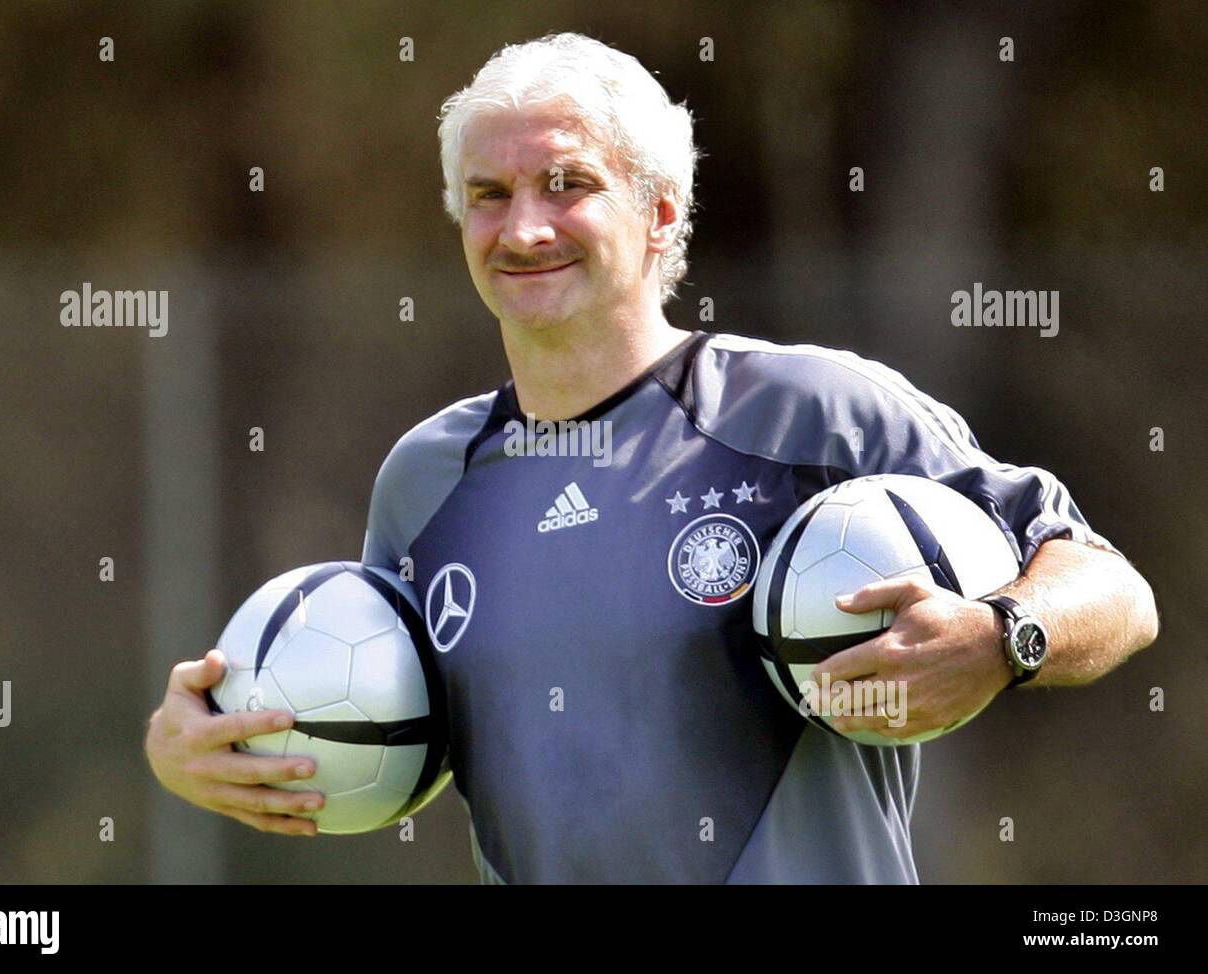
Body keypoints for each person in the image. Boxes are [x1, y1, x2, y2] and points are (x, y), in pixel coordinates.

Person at [146, 32, 1159, 883]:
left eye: (567, 184)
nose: (524, 225)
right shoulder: (428, 477)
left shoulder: (811, 410)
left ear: (660, 211)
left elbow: (1109, 584)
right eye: (489, 194)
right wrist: (199, 747)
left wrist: (1000, 636)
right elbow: (361, 714)